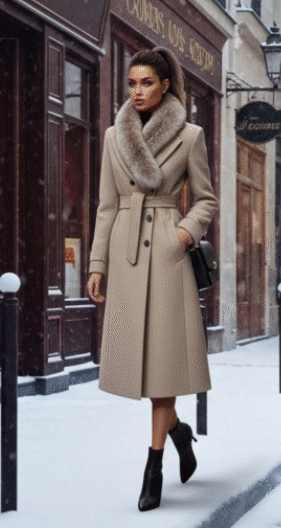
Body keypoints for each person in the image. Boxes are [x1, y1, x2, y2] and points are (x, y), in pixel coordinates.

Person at [87, 47, 218, 512]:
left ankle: (153, 466)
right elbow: (106, 206)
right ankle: (180, 433)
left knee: (162, 367)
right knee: (142, 367)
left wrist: (183, 233)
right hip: (125, 256)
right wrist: (97, 264)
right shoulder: (111, 138)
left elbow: (205, 199)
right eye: (132, 83)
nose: (138, 91)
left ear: (165, 86)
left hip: (166, 254)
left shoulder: (190, 136)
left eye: (147, 83)